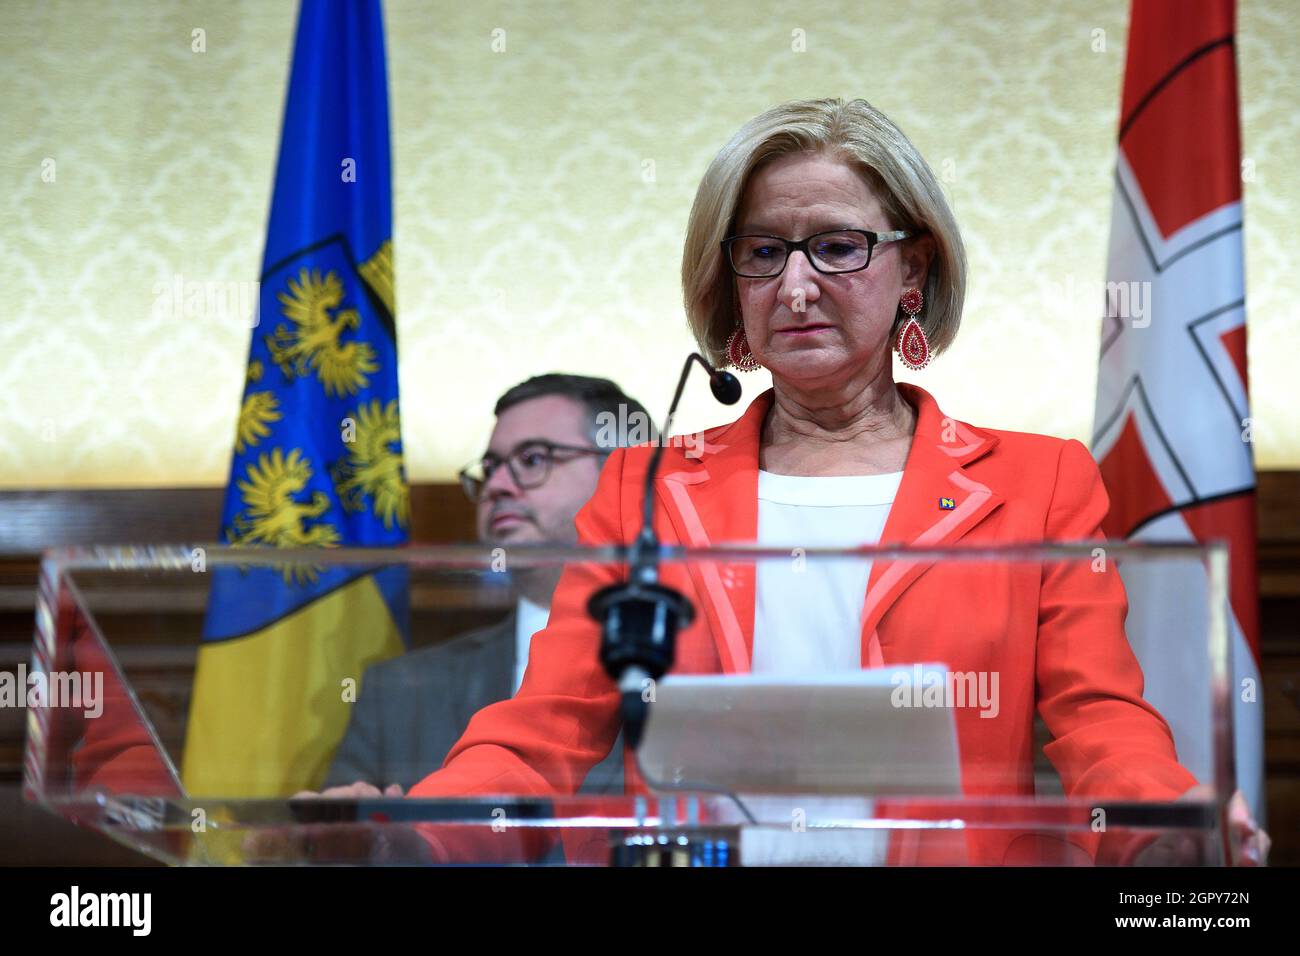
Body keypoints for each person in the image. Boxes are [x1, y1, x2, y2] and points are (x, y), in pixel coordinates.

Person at [327, 98, 1269, 866]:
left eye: (837, 245)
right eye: (764, 251)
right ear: (730, 283)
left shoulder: (1037, 481)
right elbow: (546, 725)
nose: (798, 285)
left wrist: (1166, 832)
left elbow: (1100, 719)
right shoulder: (643, 490)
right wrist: (419, 828)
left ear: (914, 267)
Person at [324, 374, 647, 794]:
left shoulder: (693, 670)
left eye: (533, 459)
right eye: (491, 468)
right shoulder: (398, 692)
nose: (495, 486)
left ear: (624, 474)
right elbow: (332, 846)